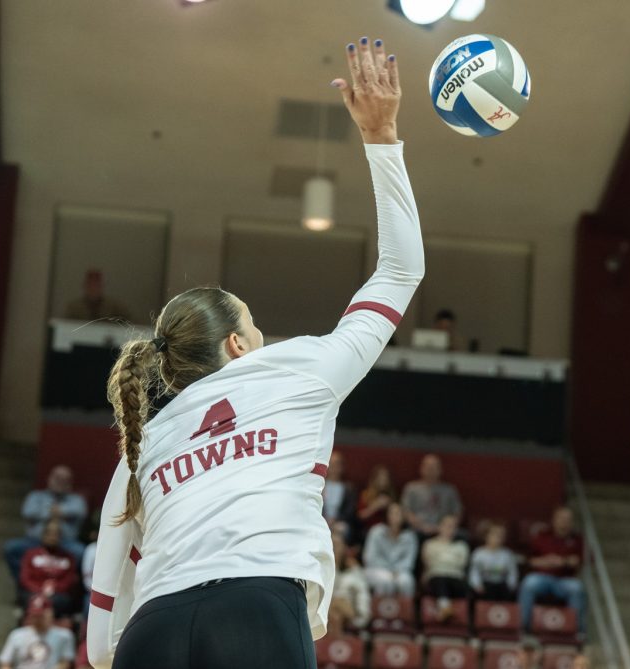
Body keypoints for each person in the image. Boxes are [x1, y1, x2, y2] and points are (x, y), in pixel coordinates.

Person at [86, 38, 422, 669]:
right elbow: (401, 271)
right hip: (254, 610)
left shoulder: (144, 441)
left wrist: (123, 652)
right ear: (238, 345)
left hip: (151, 631)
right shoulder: (295, 372)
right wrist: (383, 135)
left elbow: (104, 621)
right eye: (257, 326)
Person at [4, 466, 88, 584]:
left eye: (64, 480)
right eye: (57, 478)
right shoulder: (36, 496)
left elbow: (80, 511)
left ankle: (65, 588)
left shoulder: (77, 499)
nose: (60, 482)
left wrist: (59, 511)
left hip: (64, 544)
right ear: (49, 479)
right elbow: (28, 512)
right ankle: (26, 585)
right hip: (36, 542)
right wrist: (53, 512)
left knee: (82, 552)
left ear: (70, 483)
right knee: (11, 548)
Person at [518, 507, 585, 634]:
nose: (564, 522)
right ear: (554, 520)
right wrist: (547, 561)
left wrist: (563, 561)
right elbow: (529, 561)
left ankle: (576, 631)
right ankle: (523, 627)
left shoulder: (577, 540)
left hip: (565, 580)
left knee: (577, 588)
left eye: (568, 519)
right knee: (529, 583)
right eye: (561, 518)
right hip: (543, 577)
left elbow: (579, 561)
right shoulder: (542, 536)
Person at [19, 520, 81, 619]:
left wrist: (53, 589)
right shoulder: (31, 555)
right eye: (49, 534)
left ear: (60, 537)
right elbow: (25, 578)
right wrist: (40, 590)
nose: (52, 537)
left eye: (56, 534)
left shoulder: (68, 558)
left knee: (62, 601)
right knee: (31, 599)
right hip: (34, 592)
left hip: (58, 595)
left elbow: (69, 580)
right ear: (43, 535)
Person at [0, 596, 76, 669]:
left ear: (50, 613)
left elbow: (66, 662)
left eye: (41, 615)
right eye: (34, 615)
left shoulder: (64, 635)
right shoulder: (16, 635)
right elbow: (5, 663)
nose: (37, 619)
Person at [363, 502, 418, 597]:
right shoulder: (376, 532)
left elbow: (409, 561)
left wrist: (396, 571)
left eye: (398, 513)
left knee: (406, 581)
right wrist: (389, 571)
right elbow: (370, 557)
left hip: (400, 571)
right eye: (392, 513)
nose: (395, 516)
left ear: (403, 516)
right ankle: (381, 610)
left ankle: (405, 610)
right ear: (387, 515)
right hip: (376, 569)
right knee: (386, 581)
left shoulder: (410, 537)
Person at [401, 454, 463, 539]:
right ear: (421, 468)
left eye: (434, 467)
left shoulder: (449, 490)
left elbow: (457, 513)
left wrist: (444, 528)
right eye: (428, 467)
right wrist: (421, 526)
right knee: (406, 536)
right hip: (417, 530)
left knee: (463, 536)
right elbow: (406, 511)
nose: (431, 470)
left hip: (444, 531)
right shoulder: (411, 488)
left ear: (440, 470)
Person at [421, 515, 470, 620]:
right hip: (435, 578)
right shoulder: (430, 544)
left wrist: (441, 559)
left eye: (452, 526)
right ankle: (445, 608)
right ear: (439, 527)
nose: (449, 528)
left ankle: (444, 609)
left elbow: (461, 564)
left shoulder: (461, 546)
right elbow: (430, 562)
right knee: (439, 578)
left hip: (455, 579)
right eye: (446, 525)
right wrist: (450, 559)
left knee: (451, 581)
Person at [327, 534, 371, 637]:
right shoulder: (318, 570)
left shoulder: (354, 571)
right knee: (335, 614)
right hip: (326, 615)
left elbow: (363, 597)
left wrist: (359, 616)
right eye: (330, 544)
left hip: (350, 614)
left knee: (339, 605)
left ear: (344, 548)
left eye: (336, 545)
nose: (333, 548)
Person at [469, 522, 519, 601]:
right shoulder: (478, 553)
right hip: (485, 583)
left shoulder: (507, 554)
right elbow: (474, 572)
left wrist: (511, 586)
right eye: (495, 534)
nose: (498, 538)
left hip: (501, 584)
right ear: (487, 536)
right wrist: (477, 585)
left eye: (501, 536)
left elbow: (512, 573)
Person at [65, 269, 132, 322]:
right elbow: (65, 325)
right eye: (90, 285)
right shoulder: (74, 308)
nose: (93, 288)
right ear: (85, 286)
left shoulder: (115, 307)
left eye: (96, 285)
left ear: (102, 286)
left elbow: (130, 323)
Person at [322, 451, 358, 542]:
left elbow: (350, 511)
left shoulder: (348, 489)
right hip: (320, 521)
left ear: (342, 467)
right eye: (331, 463)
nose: (334, 467)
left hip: (339, 523)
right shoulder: (319, 486)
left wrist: (335, 520)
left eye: (337, 464)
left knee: (343, 529)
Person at [357, 465, 396, 531]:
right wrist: (376, 505)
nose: (383, 480)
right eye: (380, 477)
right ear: (374, 479)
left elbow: (398, 514)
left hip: (390, 530)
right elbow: (360, 516)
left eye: (386, 477)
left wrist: (390, 506)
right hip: (370, 529)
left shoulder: (392, 494)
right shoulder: (366, 494)